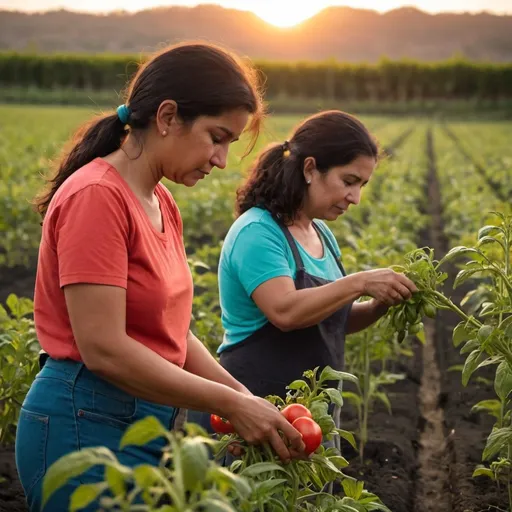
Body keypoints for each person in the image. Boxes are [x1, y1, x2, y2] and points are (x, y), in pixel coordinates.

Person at [15, 42, 305, 512]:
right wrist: (230, 405)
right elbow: (104, 348)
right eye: (217, 136)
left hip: (143, 423)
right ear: (168, 117)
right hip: (84, 423)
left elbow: (171, 332)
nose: (221, 160)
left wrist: (242, 397)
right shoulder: (97, 196)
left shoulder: (160, 201)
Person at [216, 110, 418, 423]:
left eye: (362, 184)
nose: (356, 197)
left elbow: (335, 320)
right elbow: (285, 312)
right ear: (310, 168)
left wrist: (381, 304)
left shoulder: (320, 233)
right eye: (349, 181)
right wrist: (360, 282)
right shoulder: (257, 231)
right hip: (255, 412)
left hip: (314, 415)